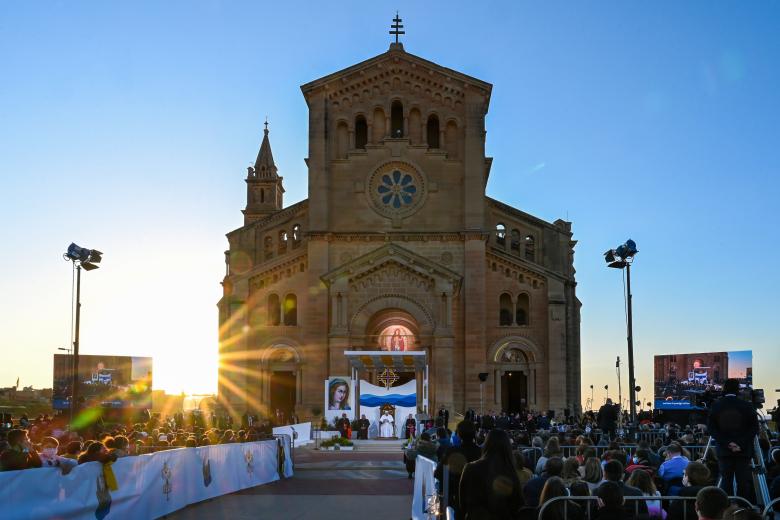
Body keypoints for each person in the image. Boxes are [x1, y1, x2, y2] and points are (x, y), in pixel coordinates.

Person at [707, 378, 759, 502]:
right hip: (743, 449)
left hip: (724, 450)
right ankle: (743, 509)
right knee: (743, 481)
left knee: (726, 480)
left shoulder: (717, 405)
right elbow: (754, 428)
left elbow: (712, 429)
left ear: (724, 389)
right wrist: (739, 443)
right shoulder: (747, 405)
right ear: (738, 389)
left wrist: (728, 443)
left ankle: (726, 509)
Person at [459, 429, 524, 519]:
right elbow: (517, 505)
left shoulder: (470, 468)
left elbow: (462, 503)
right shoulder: (510, 472)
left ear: (486, 444)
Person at [436, 420, 482, 520]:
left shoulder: (452, 451)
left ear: (459, 435)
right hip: (480, 499)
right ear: (475, 434)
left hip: (457, 497)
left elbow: (438, 473)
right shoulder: (481, 452)